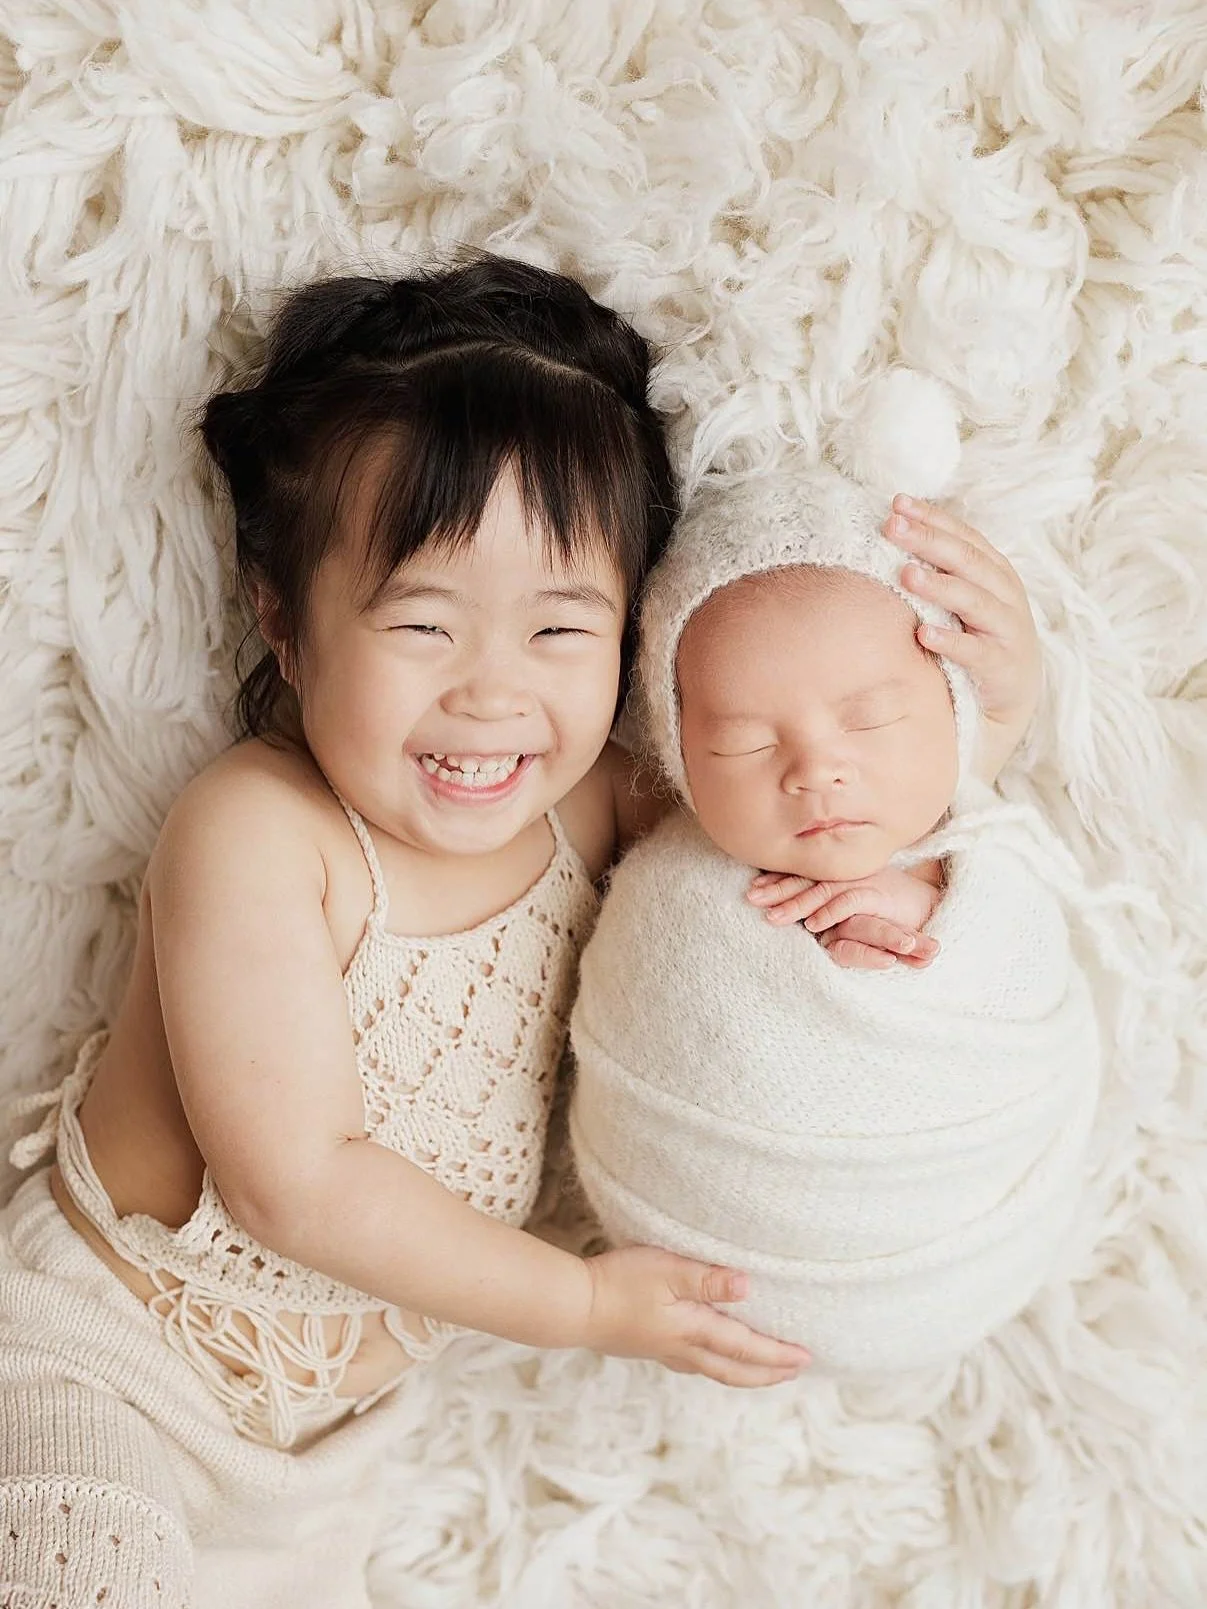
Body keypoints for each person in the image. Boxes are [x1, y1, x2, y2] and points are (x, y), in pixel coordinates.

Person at [0, 255, 809, 1609]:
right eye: (422, 621)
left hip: (327, 1454)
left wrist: (981, 708)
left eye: (559, 626)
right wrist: (585, 1307)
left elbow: (796, 810)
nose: (490, 692)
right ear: (285, 624)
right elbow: (295, 1182)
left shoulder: (597, 806)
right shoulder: (260, 834)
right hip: (108, 1369)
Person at [568, 444, 1100, 1376]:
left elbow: (972, 771)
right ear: (677, 758)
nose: (815, 768)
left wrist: (929, 911)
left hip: (964, 1240)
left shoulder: (972, 831)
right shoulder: (669, 868)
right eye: (740, 742)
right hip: (699, 1241)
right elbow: (648, 996)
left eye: (869, 721)